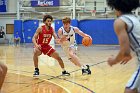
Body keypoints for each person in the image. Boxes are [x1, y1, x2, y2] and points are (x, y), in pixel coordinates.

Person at [106, 0, 140, 93]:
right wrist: (129, 55)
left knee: (129, 90)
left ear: (115, 6)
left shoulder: (120, 21)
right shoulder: (136, 18)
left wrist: (113, 61)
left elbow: (125, 52)